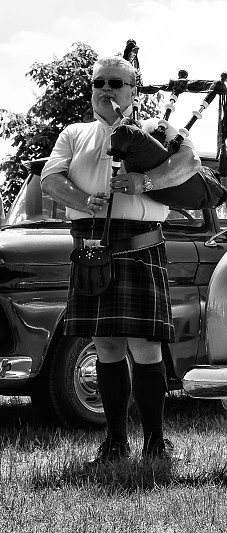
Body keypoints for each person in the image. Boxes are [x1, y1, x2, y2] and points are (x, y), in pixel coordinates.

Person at [41, 56, 200, 462]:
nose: (106, 89)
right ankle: (114, 442)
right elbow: (50, 179)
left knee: (145, 348)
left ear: (133, 91)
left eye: (116, 82)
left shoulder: (155, 130)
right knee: (106, 344)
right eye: (99, 83)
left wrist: (145, 181)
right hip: (93, 247)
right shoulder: (74, 134)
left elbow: (188, 164)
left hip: (139, 246)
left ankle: (156, 444)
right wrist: (86, 202)